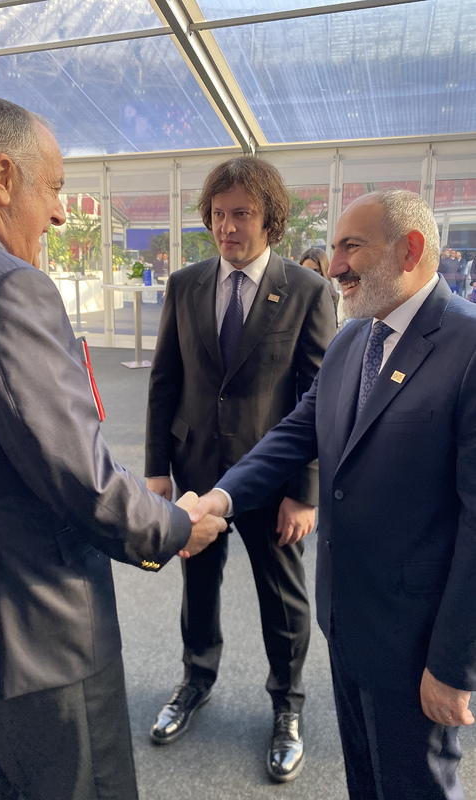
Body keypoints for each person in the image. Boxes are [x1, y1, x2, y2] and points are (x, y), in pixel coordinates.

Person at [0, 96, 226, 800]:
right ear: (2, 177)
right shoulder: (5, 287)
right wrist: (175, 527)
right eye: (54, 188)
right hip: (41, 638)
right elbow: (78, 473)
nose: (61, 214)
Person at [191, 188, 476, 800]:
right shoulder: (353, 339)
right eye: (335, 247)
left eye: (352, 247)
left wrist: (454, 666)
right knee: (366, 781)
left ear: (410, 250)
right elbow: (295, 433)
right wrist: (220, 499)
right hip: (347, 621)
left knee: (417, 786)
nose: (335, 264)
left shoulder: (468, 347)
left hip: (417, 640)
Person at [145, 156, 336, 782]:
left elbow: (317, 398)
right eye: (218, 214)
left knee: (282, 597)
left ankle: (288, 705)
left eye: (242, 214)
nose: (227, 227)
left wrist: (304, 492)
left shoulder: (307, 291)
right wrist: (156, 471)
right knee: (198, 587)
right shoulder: (185, 284)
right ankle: (195, 680)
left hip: (271, 482)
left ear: (270, 219)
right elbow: (164, 380)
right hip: (195, 470)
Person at [299, 246, 340, 322]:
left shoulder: (332, 296)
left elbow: (332, 325)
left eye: (316, 270)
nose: (310, 274)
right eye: (306, 270)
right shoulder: (294, 294)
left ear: (323, 271)